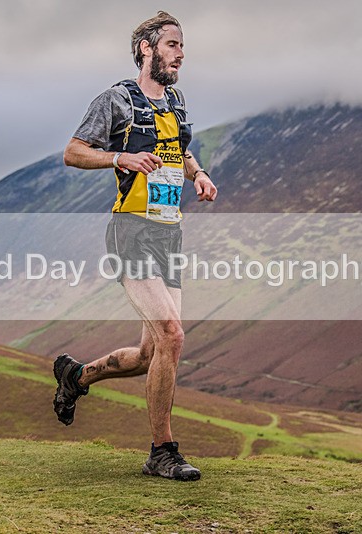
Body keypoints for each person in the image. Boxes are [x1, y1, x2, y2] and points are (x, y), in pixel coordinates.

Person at [54, 11, 217, 481]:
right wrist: (118, 156)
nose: (180, 53)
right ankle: (162, 451)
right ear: (146, 48)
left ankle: (76, 376)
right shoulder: (117, 100)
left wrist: (199, 173)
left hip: (170, 233)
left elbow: (178, 150)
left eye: (182, 46)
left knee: (153, 353)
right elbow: (72, 151)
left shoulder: (177, 101)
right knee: (173, 335)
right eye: (172, 44)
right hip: (131, 230)